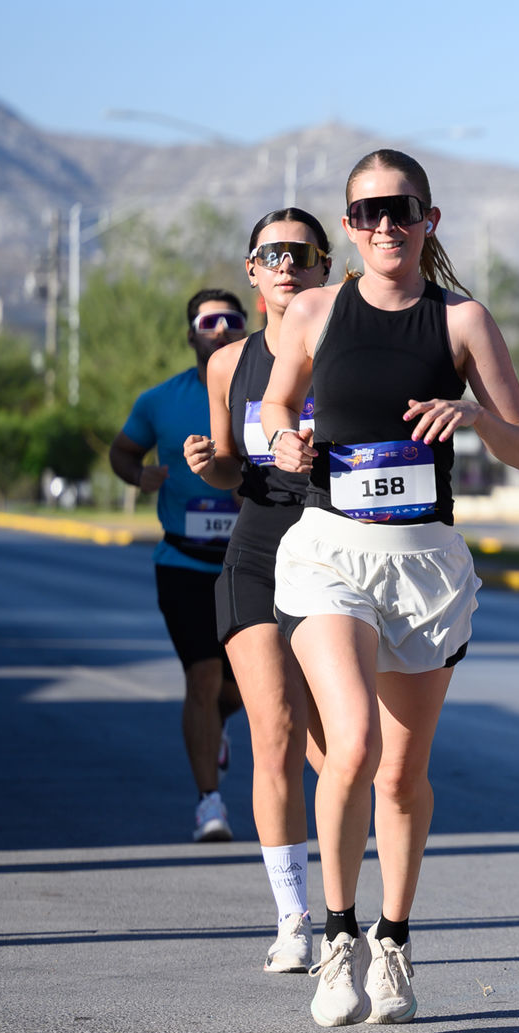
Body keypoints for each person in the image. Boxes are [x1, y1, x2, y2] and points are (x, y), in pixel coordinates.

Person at [261, 148, 519, 1027]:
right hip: (331, 553)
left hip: (424, 564)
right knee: (351, 746)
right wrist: (282, 442)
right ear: (348, 226)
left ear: (430, 220)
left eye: (403, 209)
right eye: (369, 211)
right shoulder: (313, 310)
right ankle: (336, 937)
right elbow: (275, 407)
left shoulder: (461, 322)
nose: (387, 224)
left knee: (402, 772)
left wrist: (474, 414)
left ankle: (393, 939)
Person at [183, 209, 333, 974]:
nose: (286, 265)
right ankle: (293, 915)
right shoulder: (226, 365)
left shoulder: (346, 346)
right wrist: (205, 459)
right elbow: (228, 471)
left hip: (336, 552)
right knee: (272, 730)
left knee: (335, 750)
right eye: (271, 253)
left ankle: (343, 908)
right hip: (257, 549)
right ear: (252, 269)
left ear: (324, 265)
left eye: (300, 253)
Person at [109, 289, 249, 843]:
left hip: (251, 562)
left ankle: (215, 726)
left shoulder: (272, 392)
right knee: (203, 675)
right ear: (190, 334)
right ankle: (209, 804)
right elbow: (122, 451)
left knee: (242, 689)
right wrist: (137, 475)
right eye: (207, 321)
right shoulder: (159, 401)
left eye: (231, 320)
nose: (220, 328)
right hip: (184, 562)